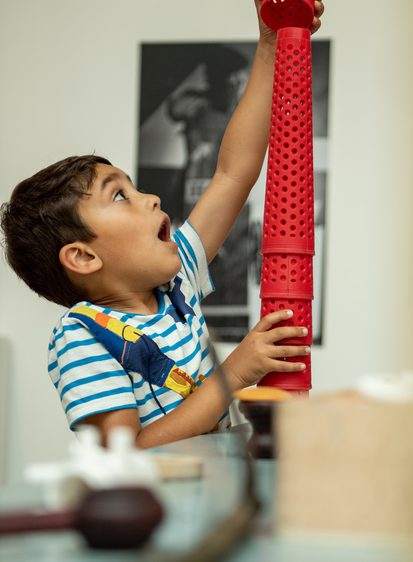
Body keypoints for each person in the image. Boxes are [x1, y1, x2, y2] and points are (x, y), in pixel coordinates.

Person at [0, 0, 324, 448]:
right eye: (119, 195)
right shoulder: (82, 335)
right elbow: (128, 451)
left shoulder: (175, 286)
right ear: (82, 256)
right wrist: (234, 373)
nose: (150, 198)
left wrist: (270, 42)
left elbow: (232, 173)